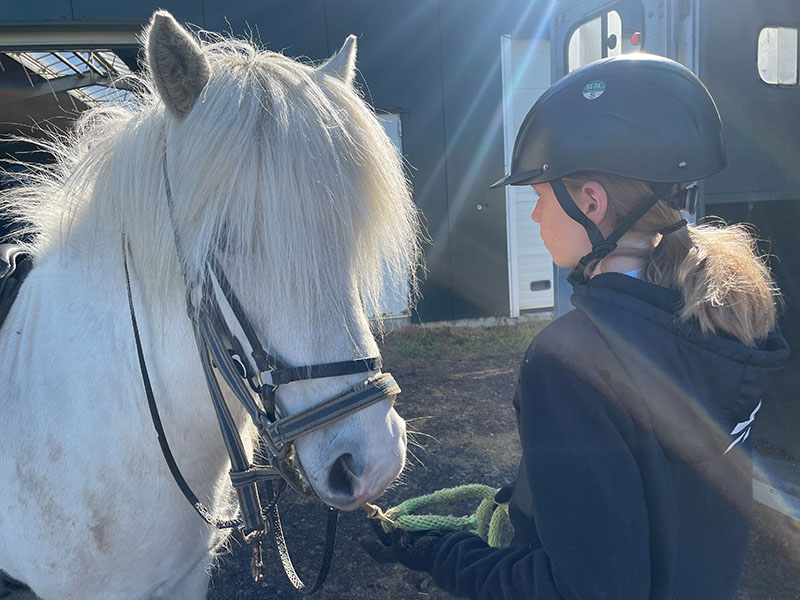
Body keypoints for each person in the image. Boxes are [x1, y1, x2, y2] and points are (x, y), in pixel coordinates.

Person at [364, 53, 790, 599]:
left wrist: (445, 554)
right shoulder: (724, 318)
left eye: (541, 196)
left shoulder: (570, 361)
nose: (537, 215)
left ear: (591, 202)